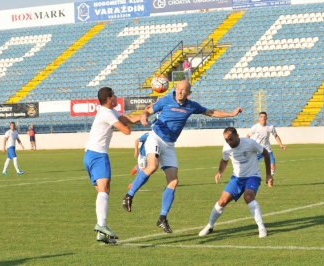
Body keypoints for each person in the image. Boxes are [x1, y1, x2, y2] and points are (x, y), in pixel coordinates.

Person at [122, 80, 243, 233]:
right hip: (156, 137)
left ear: (188, 93)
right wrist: (144, 117)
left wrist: (231, 113)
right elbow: (148, 111)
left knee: (173, 181)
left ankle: (162, 218)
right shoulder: (166, 100)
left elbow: (210, 112)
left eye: (183, 90)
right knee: (152, 166)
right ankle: (129, 196)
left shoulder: (191, 106)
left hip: (169, 144)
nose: (180, 92)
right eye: (178, 89)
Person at [83, 86, 140, 244]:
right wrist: (137, 122)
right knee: (104, 189)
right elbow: (126, 130)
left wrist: (148, 112)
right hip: (98, 155)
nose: (116, 97)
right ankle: (101, 225)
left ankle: (101, 233)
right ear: (109, 99)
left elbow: (128, 120)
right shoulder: (107, 113)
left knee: (103, 192)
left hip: (89, 155)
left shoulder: (109, 111)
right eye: (114, 95)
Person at [199, 127, 272, 238]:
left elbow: (266, 154)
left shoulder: (250, 143)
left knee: (248, 197)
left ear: (237, 136)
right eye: (226, 140)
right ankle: (209, 226)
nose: (229, 142)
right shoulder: (226, 147)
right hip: (237, 178)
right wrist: (219, 172)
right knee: (222, 201)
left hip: (252, 176)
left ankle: (261, 228)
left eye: (230, 139)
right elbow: (224, 160)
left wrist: (268, 174)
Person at [247, 111, 286, 187]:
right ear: (259, 118)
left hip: (267, 150)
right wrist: (247, 145)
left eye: (264, 117)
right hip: (257, 150)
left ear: (266, 118)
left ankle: (269, 178)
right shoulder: (255, 127)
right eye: (261, 117)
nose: (263, 118)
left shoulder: (270, 127)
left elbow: (276, 136)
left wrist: (281, 144)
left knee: (273, 166)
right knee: (251, 166)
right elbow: (248, 135)